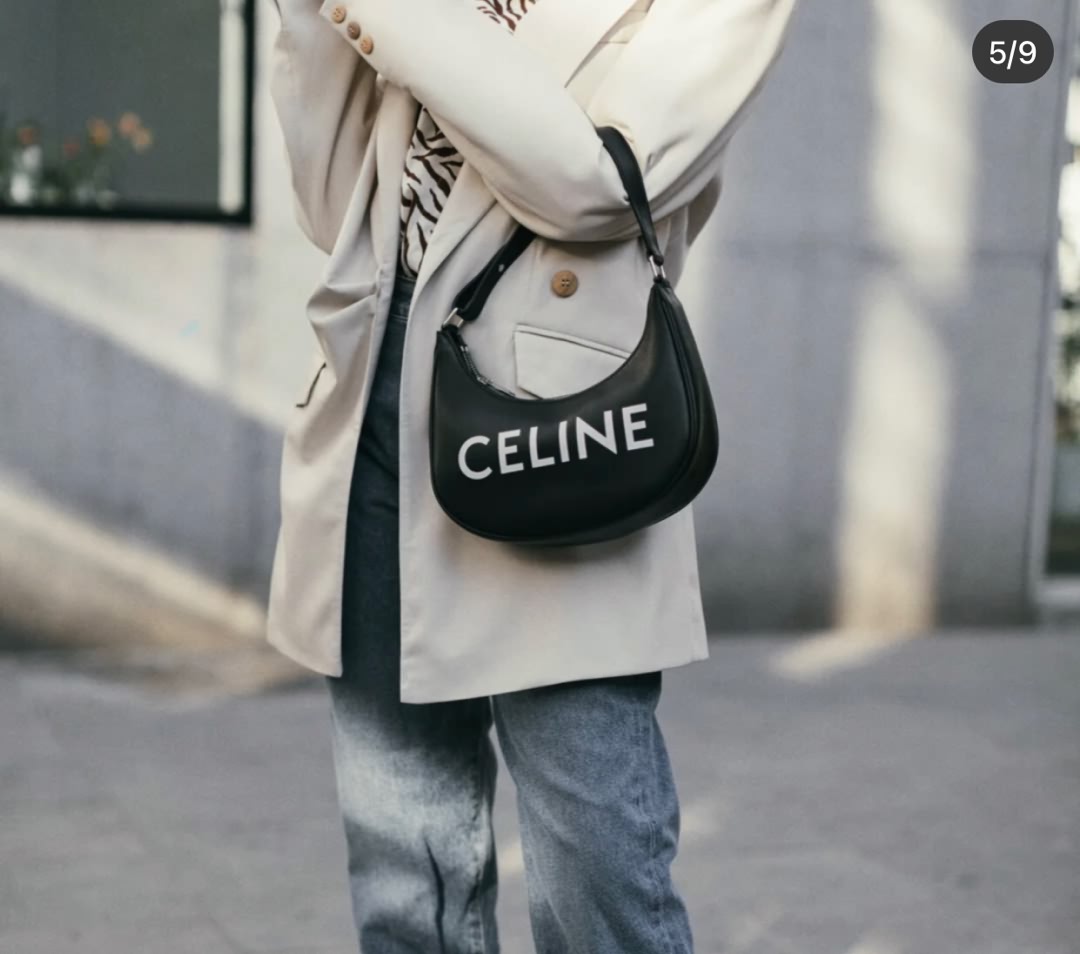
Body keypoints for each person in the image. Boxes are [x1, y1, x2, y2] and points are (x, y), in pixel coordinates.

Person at [265, 0, 798, 950]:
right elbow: (334, 206)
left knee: (599, 881)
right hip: (377, 410)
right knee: (405, 880)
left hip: (562, 436)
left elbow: (596, 186)